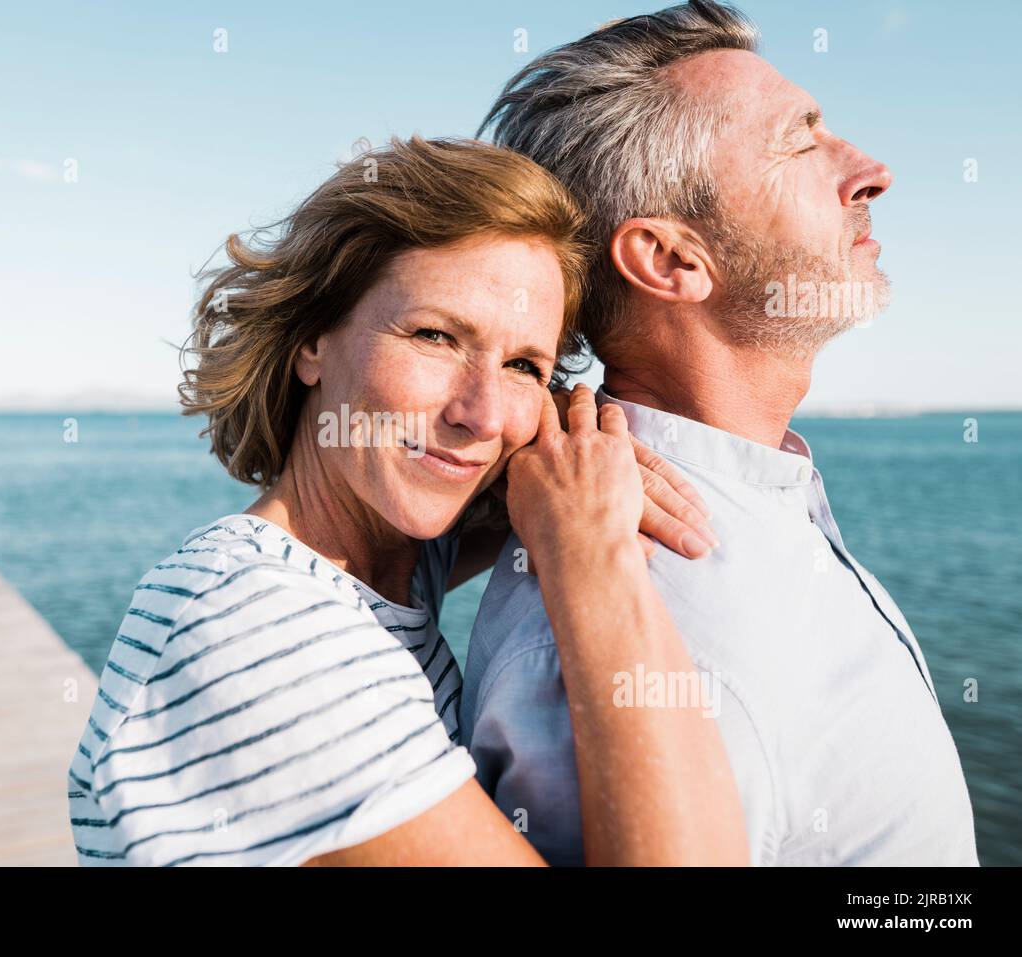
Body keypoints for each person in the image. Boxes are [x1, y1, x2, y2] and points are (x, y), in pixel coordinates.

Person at [67, 135, 746, 866]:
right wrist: (592, 557)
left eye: (523, 364)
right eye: (435, 335)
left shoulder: (383, 563)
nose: (482, 415)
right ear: (311, 340)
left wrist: (571, 441)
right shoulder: (254, 620)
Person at [462, 0, 978, 865]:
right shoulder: (631, 641)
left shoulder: (750, 501)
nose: (872, 171)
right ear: (669, 259)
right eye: (801, 142)